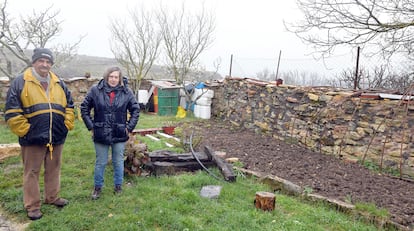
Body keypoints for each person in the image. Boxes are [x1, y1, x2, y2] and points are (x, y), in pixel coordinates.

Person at [4, 48, 75, 220]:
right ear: (34, 62)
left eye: (48, 62)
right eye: (41, 61)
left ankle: (52, 197)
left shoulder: (59, 83)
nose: (45, 64)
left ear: (51, 64)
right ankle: (32, 206)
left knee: (54, 169)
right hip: (32, 139)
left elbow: (70, 107)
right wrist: (26, 131)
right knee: (32, 172)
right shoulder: (21, 82)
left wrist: (66, 125)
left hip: (56, 137)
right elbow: (12, 111)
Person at [80, 67, 139, 200]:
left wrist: (129, 127)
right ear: (106, 77)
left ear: (120, 78)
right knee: (101, 161)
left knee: (118, 161)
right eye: (111, 76)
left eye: (116, 77)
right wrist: (91, 127)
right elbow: (84, 108)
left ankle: (118, 186)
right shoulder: (96, 90)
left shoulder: (126, 92)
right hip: (101, 132)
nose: (113, 79)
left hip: (119, 133)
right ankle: (97, 188)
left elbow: (135, 110)